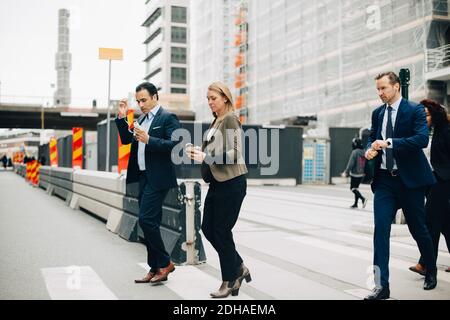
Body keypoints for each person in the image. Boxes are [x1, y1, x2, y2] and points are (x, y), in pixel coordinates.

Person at [364, 71, 437, 300]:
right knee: (380, 231)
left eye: (383, 88)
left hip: (410, 182)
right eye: (377, 89)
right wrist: (370, 149)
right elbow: (372, 137)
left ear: (396, 86)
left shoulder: (414, 110)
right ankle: (381, 286)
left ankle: (430, 269)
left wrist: (388, 143)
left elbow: (421, 139)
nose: (380, 93)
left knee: (418, 229)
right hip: (385, 180)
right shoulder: (377, 114)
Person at [187, 82, 251, 298]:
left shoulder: (231, 118)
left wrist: (207, 157)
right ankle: (239, 267)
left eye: (213, 97)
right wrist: (198, 151)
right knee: (207, 228)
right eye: (208, 98)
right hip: (217, 182)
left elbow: (235, 153)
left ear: (225, 97)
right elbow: (211, 151)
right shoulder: (216, 121)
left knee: (222, 231)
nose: (210, 102)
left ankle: (229, 280)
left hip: (232, 182)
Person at [115, 82, 181, 284]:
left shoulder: (167, 118)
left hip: (158, 178)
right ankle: (155, 268)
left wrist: (150, 139)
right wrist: (121, 117)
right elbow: (127, 140)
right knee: (150, 222)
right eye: (138, 101)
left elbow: (175, 144)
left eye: (144, 100)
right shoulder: (141, 119)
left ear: (155, 97)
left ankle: (165, 262)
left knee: (145, 220)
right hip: (142, 176)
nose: (141, 104)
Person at [409, 99, 450, 275]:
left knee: (429, 221)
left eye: (426, 115)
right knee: (446, 224)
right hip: (428, 180)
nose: (423, 118)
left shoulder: (446, 130)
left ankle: (425, 263)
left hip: (443, 180)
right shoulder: (423, 131)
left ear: (435, 114)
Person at [341, 138, 368, 208]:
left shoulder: (355, 152)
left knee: (352, 188)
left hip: (355, 174)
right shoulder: (364, 151)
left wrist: (345, 172)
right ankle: (355, 204)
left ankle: (363, 199)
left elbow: (350, 164)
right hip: (361, 173)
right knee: (356, 188)